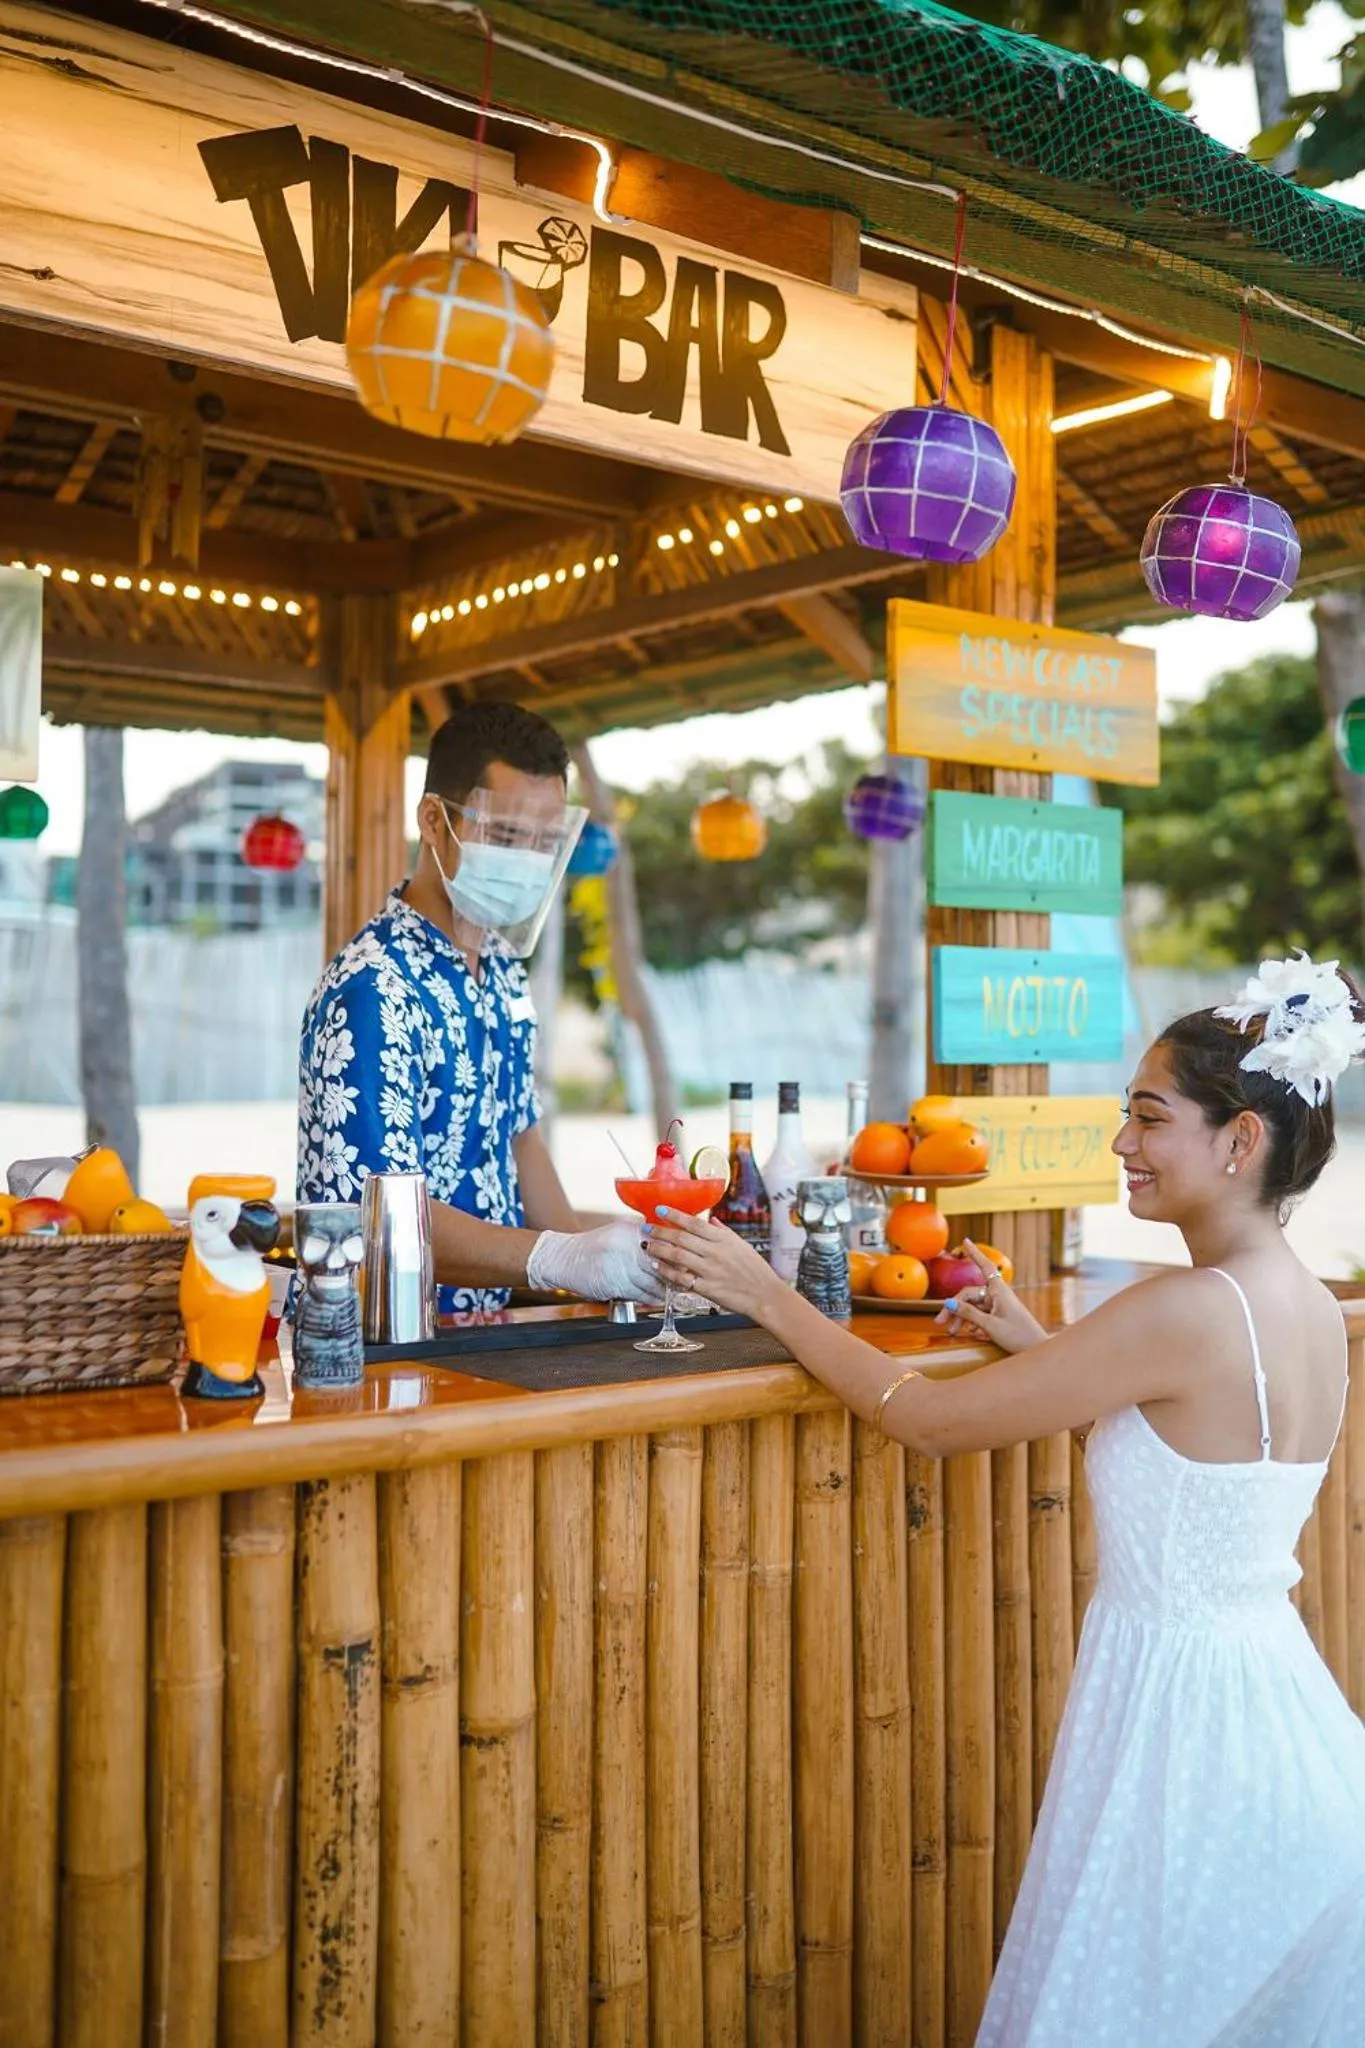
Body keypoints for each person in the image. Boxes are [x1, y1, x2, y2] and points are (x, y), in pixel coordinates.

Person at [650, 952, 1365, 2046]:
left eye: (1146, 1116)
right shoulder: (1308, 1307)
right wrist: (1038, 1346)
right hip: (1278, 1719)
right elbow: (1196, 1453)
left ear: (1239, 1141)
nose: (1122, 1143)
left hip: (1182, 1746)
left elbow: (927, 1422)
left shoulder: (1184, 1306)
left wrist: (769, 1295)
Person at [297, 703, 657, 1314]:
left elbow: (521, 1141)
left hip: (495, 1330)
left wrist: (600, 1271)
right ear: (434, 822)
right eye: (508, 836)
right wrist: (557, 1258)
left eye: (545, 842)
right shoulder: (372, 989)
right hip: (383, 1345)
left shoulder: (501, 969)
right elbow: (382, 1219)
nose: (528, 861)